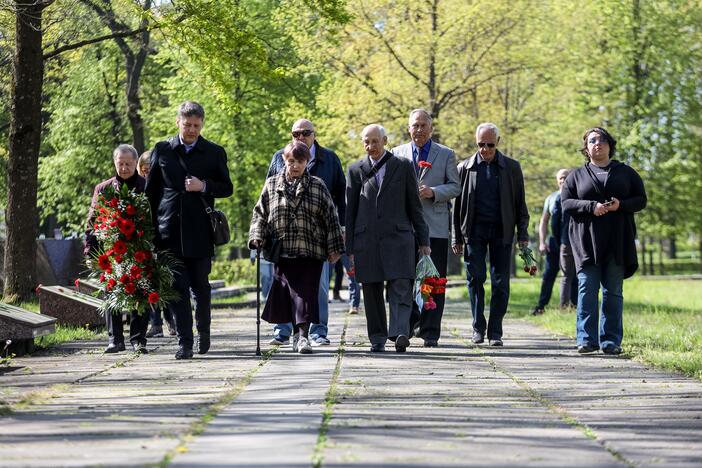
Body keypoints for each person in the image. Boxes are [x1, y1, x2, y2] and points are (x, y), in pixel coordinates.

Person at [145, 101, 233, 360]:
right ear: (178, 123)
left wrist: (204, 186)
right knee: (177, 289)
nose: (192, 130)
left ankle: (203, 332)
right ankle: (184, 342)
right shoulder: (162, 150)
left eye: (196, 125)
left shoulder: (214, 152)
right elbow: (151, 192)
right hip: (168, 230)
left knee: (201, 288)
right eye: (187, 125)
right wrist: (149, 232)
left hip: (200, 231)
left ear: (202, 124)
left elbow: (227, 187)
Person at [249, 141, 344, 354]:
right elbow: (260, 213)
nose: (295, 165)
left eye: (300, 161)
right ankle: (295, 335)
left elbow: (331, 218)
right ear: (284, 160)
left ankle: (303, 338)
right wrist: (256, 236)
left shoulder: (318, 185)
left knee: (305, 295)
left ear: (306, 162)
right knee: (288, 295)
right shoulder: (272, 184)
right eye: (291, 161)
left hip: (311, 250)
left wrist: (335, 247)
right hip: (283, 251)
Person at [561, 127, 646, 355]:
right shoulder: (576, 176)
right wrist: (591, 207)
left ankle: (610, 341)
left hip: (617, 242)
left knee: (612, 292)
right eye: (592, 141)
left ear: (610, 145)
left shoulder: (626, 172)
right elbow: (566, 203)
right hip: (586, 243)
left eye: (602, 140)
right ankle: (586, 340)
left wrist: (622, 205)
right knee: (586, 289)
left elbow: (641, 200)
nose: (597, 144)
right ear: (586, 148)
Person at [346, 124, 430, 353]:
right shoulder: (355, 170)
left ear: (384, 140)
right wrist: (349, 248)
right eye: (366, 141)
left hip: (399, 239)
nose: (370, 146)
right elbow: (350, 212)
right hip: (367, 241)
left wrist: (424, 242)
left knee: (402, 286)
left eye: (375, 141)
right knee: (371, 290)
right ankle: (377, 337)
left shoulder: (403, 166)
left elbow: (415, 207)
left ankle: (401, 332)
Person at [452, 123, 529, 347]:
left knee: (500, 283)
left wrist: (522, 234)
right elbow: (456, 209)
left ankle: (495, 331)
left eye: (490, 145)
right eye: (480, 145)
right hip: (473, 232)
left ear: (498, 142)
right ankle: (478, 327)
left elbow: (520, 205)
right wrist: (456, 237)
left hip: (502, 232)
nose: (485, 149)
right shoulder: (464, 168)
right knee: (475, 278)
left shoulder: (512, 168)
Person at [392, 109, 460, 347]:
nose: (418, 129)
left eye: (423, 125)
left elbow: (455, 187)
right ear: (408, 128)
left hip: (435, 228)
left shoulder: (446, 154)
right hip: (405, 227)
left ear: (431, 128)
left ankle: (430, 332)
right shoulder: (397, 153)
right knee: (406, 279)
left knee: (433, 281)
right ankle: (406, 328)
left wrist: (433, 192)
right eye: (414, 125)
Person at [84, 144, 149, 354]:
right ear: (115, 163)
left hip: (140, 248)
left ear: (136, 164)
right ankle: (115, 340)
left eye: (128, 163)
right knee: (111, 292)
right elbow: (93, 222)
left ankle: (138, 339)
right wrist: (90, 251)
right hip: (112, 252)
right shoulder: (103, 189)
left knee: (141, 293)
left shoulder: (146, 186)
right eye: (120, 163)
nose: (124, 167)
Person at [137, 150, 176, 338]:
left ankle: (171, 322)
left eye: (150, 170)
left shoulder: (164, 187)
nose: (147, 174)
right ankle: (156, 323)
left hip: (162, 241)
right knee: (150, 285)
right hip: (144, 243)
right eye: (144, 170)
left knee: (165, 283)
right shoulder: (138, 188)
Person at [531, 169, 570, 315]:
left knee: (571, 276)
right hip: (553, 242)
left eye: (566, 177)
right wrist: (542, 242)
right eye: (560, 178)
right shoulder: (551, 198)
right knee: (549, 275)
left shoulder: (577, 195)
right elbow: (544, 221)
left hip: (570, 242)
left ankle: (570, 306)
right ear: (557, 180)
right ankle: (541, 306)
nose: (563, 180)